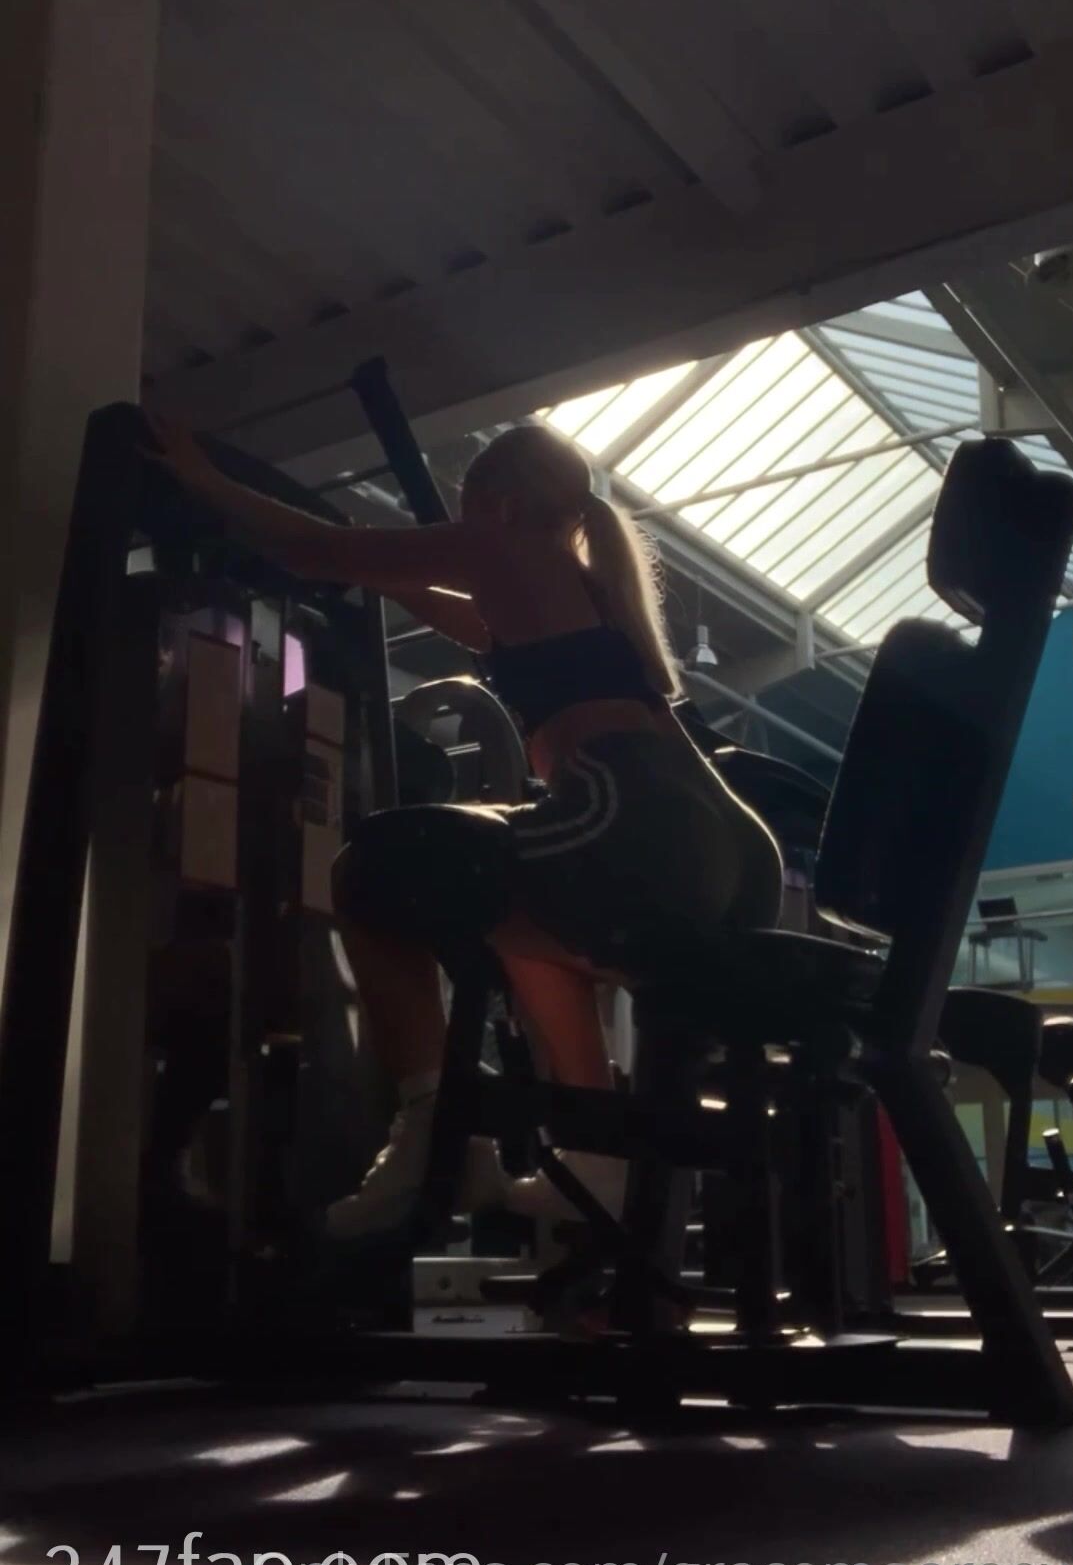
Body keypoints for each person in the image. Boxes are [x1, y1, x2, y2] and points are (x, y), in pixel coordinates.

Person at [145, 417, 783, 1240]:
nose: (458, 523)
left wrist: (203, 479)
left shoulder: (502, 546)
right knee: (522, 928)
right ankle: (599, 1160)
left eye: (463, 506)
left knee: (368, 872)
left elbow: (312, 553)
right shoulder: (579, 591)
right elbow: (447, 611)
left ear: (499, 502)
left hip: (632, 823)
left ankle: (433, 1128)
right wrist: (376, 567)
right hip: (728, 851)